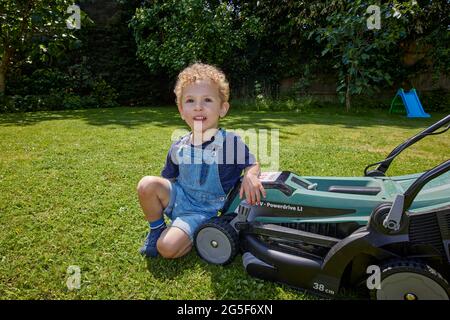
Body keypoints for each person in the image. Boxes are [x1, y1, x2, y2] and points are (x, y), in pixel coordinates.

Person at [137, 62, 266, 259]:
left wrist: (250, 175)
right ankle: (156, 230)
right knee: (147, 184)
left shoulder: (230, 142)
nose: (198, 107)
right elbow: (170, 180)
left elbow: (252, 163)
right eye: (190, 101)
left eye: (207, 100)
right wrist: (166, 199)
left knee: (167, 248)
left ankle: (193, 231)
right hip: (181, 198)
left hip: (205, 210)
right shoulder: (178, 145)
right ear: (181, 110)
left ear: (222, 108)